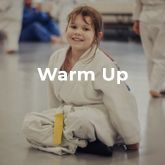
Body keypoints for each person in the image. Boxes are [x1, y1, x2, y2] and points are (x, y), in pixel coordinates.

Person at [23, 6, 140, 156]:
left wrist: (132, 139)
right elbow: (53, 96)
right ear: (66, 30)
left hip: (96, 118)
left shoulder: (103, 63)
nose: (78, 32)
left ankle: (67, 141)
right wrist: (53, 117)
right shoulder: (57, 58)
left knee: (79, 121)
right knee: (30, 124)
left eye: (85, 29)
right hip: (67, 115)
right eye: (73, 26)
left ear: (98, 36)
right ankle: (80, 144)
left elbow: (121, 102)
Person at [132, 0, 165, 98]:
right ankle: (154, 87)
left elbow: (137, 3)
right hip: (162, 18)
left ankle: (156, 86)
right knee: (161, 56)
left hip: (144, 19)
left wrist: (136, 21)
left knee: (149, 56)